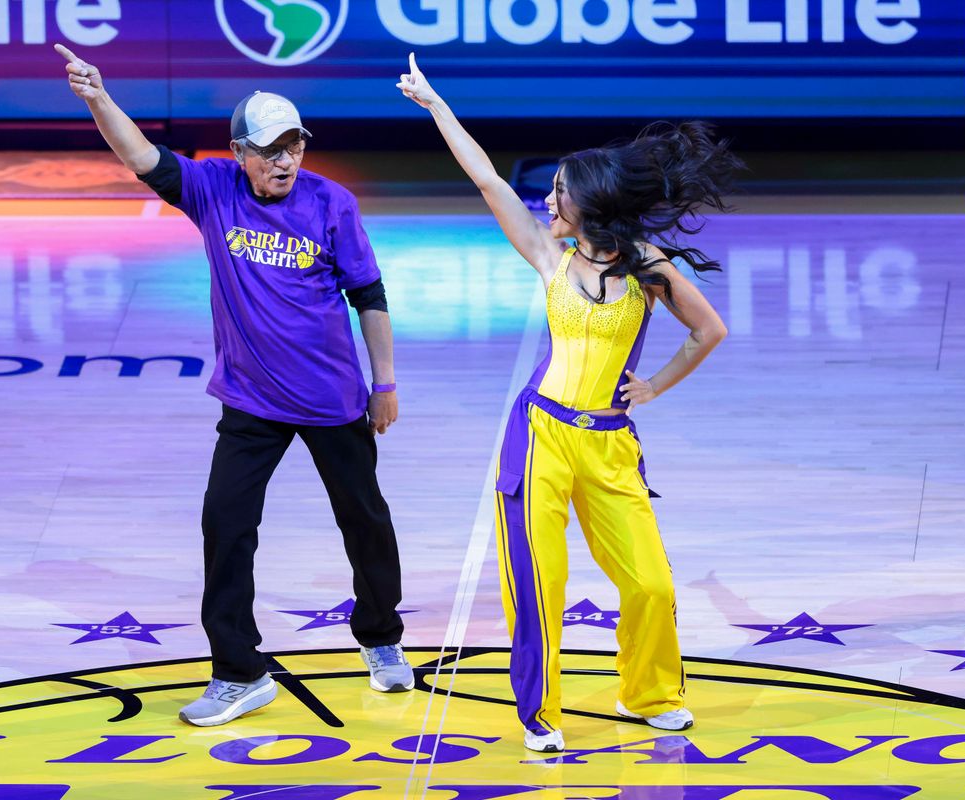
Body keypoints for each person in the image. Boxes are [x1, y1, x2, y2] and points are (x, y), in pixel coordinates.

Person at [55, 43, 415, 727]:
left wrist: (385, 381)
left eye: (295, 147)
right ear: (239, 151)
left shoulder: (330, 203)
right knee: (225, 524)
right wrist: (98, 96)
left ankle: (381, 636)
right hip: (251, 400)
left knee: (364, 520)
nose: (285, 161)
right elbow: (141, 158)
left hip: (333, 399)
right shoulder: (213, 190)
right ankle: (239, 671)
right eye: (271, 150)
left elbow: (369, 294)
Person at [398, 54, 740, 753]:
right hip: (540, 438)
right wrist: (437, 107)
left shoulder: (648, 268)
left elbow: (710, 329)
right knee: (538, 588)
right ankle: (541, 714)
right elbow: (486, 177)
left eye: (557, 191)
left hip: (610, 444)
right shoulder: (548, 258)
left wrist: (654, 386)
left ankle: (649, 693)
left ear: (589, 200)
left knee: (650, 583)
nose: (546, 201)